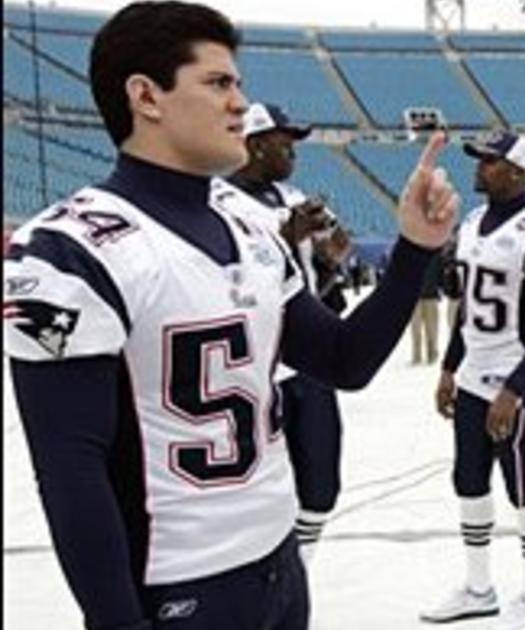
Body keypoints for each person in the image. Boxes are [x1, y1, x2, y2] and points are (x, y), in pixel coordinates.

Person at [1, 3, 459, 629]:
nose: (240, 103)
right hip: (179, 588)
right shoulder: (71, 247)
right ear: (146, 96)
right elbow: (69, 467)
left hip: (278, 562)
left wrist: (414, 251)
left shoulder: (248, 223)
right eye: (218, 83)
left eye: (238, 83)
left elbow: (343, 360)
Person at [424, 130, 525, 630]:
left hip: (518, 382)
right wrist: (448, 367)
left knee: (524, 484)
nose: (480, 167)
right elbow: (468, 307)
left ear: (517, 172)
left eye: (490, 161)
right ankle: (479, 588)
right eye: (482, 159)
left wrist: (514, 388)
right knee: (468, 480)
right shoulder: (470, 224)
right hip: (471, 375)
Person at [226, 101, 351, 566]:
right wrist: (284, 236)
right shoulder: (216, 202)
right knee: (258, 491)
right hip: (256, 366)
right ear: (255, 144)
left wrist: (331, 253)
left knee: (321, 485)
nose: (292, 150)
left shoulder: (290, 196)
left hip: (307, 358)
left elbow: (320, 270)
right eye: (284, 140)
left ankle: (302, 574)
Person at [411, 254, 443, 364]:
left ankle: (432, 353)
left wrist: (443, 287)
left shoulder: (436, 256)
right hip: (414, 297)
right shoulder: (412, 255)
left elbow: (441, 274)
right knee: (416, 328)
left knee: (432, 328)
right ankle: (417, 355)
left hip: (431, 295)